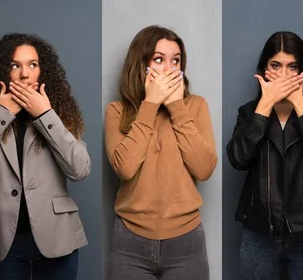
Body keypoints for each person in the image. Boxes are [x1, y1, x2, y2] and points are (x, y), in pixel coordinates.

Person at [104, 25, 217, 280]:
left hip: (186, 242)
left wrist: (177, 106)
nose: (169, 68)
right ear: (140, 64)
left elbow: (204, 168)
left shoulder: (196, 106)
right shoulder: (116, 111)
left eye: (175, 61)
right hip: (129, 244)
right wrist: (151, 104)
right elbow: (125, 167)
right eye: (159, 60)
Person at [227, 31, 303, 280]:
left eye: (293, 67)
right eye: (276, 66)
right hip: (259, 234)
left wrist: (301, 105)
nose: (284, 75)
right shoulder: (250, 112)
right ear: (264, 69)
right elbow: (237, 158)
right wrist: (265, 106)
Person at [0, 33, 90, 280]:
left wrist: (45, 115)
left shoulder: (61, 112)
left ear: (43, 71)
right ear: (3, 71)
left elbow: (80, 169)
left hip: (57, 239)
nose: (24, 74)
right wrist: (1, 114)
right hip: (1, 241)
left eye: (33, 64)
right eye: (15, 65)